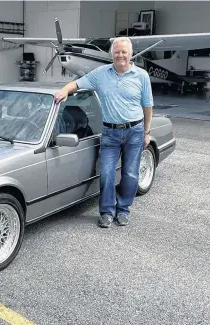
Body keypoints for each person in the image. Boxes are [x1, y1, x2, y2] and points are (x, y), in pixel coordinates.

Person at [54, 36, 153, 227]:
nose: (120, 55)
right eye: (117, 52)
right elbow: (77, 83)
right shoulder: (100, 73)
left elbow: (147, 106)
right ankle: (107, 212)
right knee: (107, 173)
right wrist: (65, 90)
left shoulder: (142, 76)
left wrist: (146, 132)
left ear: (130, 54)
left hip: (135, 131)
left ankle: (123, 209)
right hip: (110, 133)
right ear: (112, 54)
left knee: (131, 174)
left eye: (124, 52)